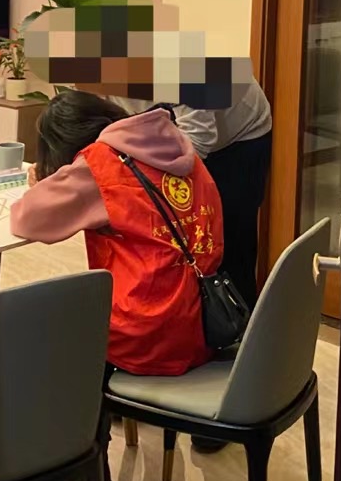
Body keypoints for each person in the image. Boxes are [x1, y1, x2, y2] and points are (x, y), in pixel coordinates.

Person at [10, 91, 224, 377]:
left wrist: (45, 182)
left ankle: (88, 400)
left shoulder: (101, 162)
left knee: (40, 320)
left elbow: (26, 219)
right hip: (204, 321)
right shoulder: (177, 144)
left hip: (146, 337)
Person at [116, 76, 272, 310]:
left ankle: (240, 322)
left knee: (226, 244)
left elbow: (198, 139)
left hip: (237, 137)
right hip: (168, 130)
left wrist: (154, 188)